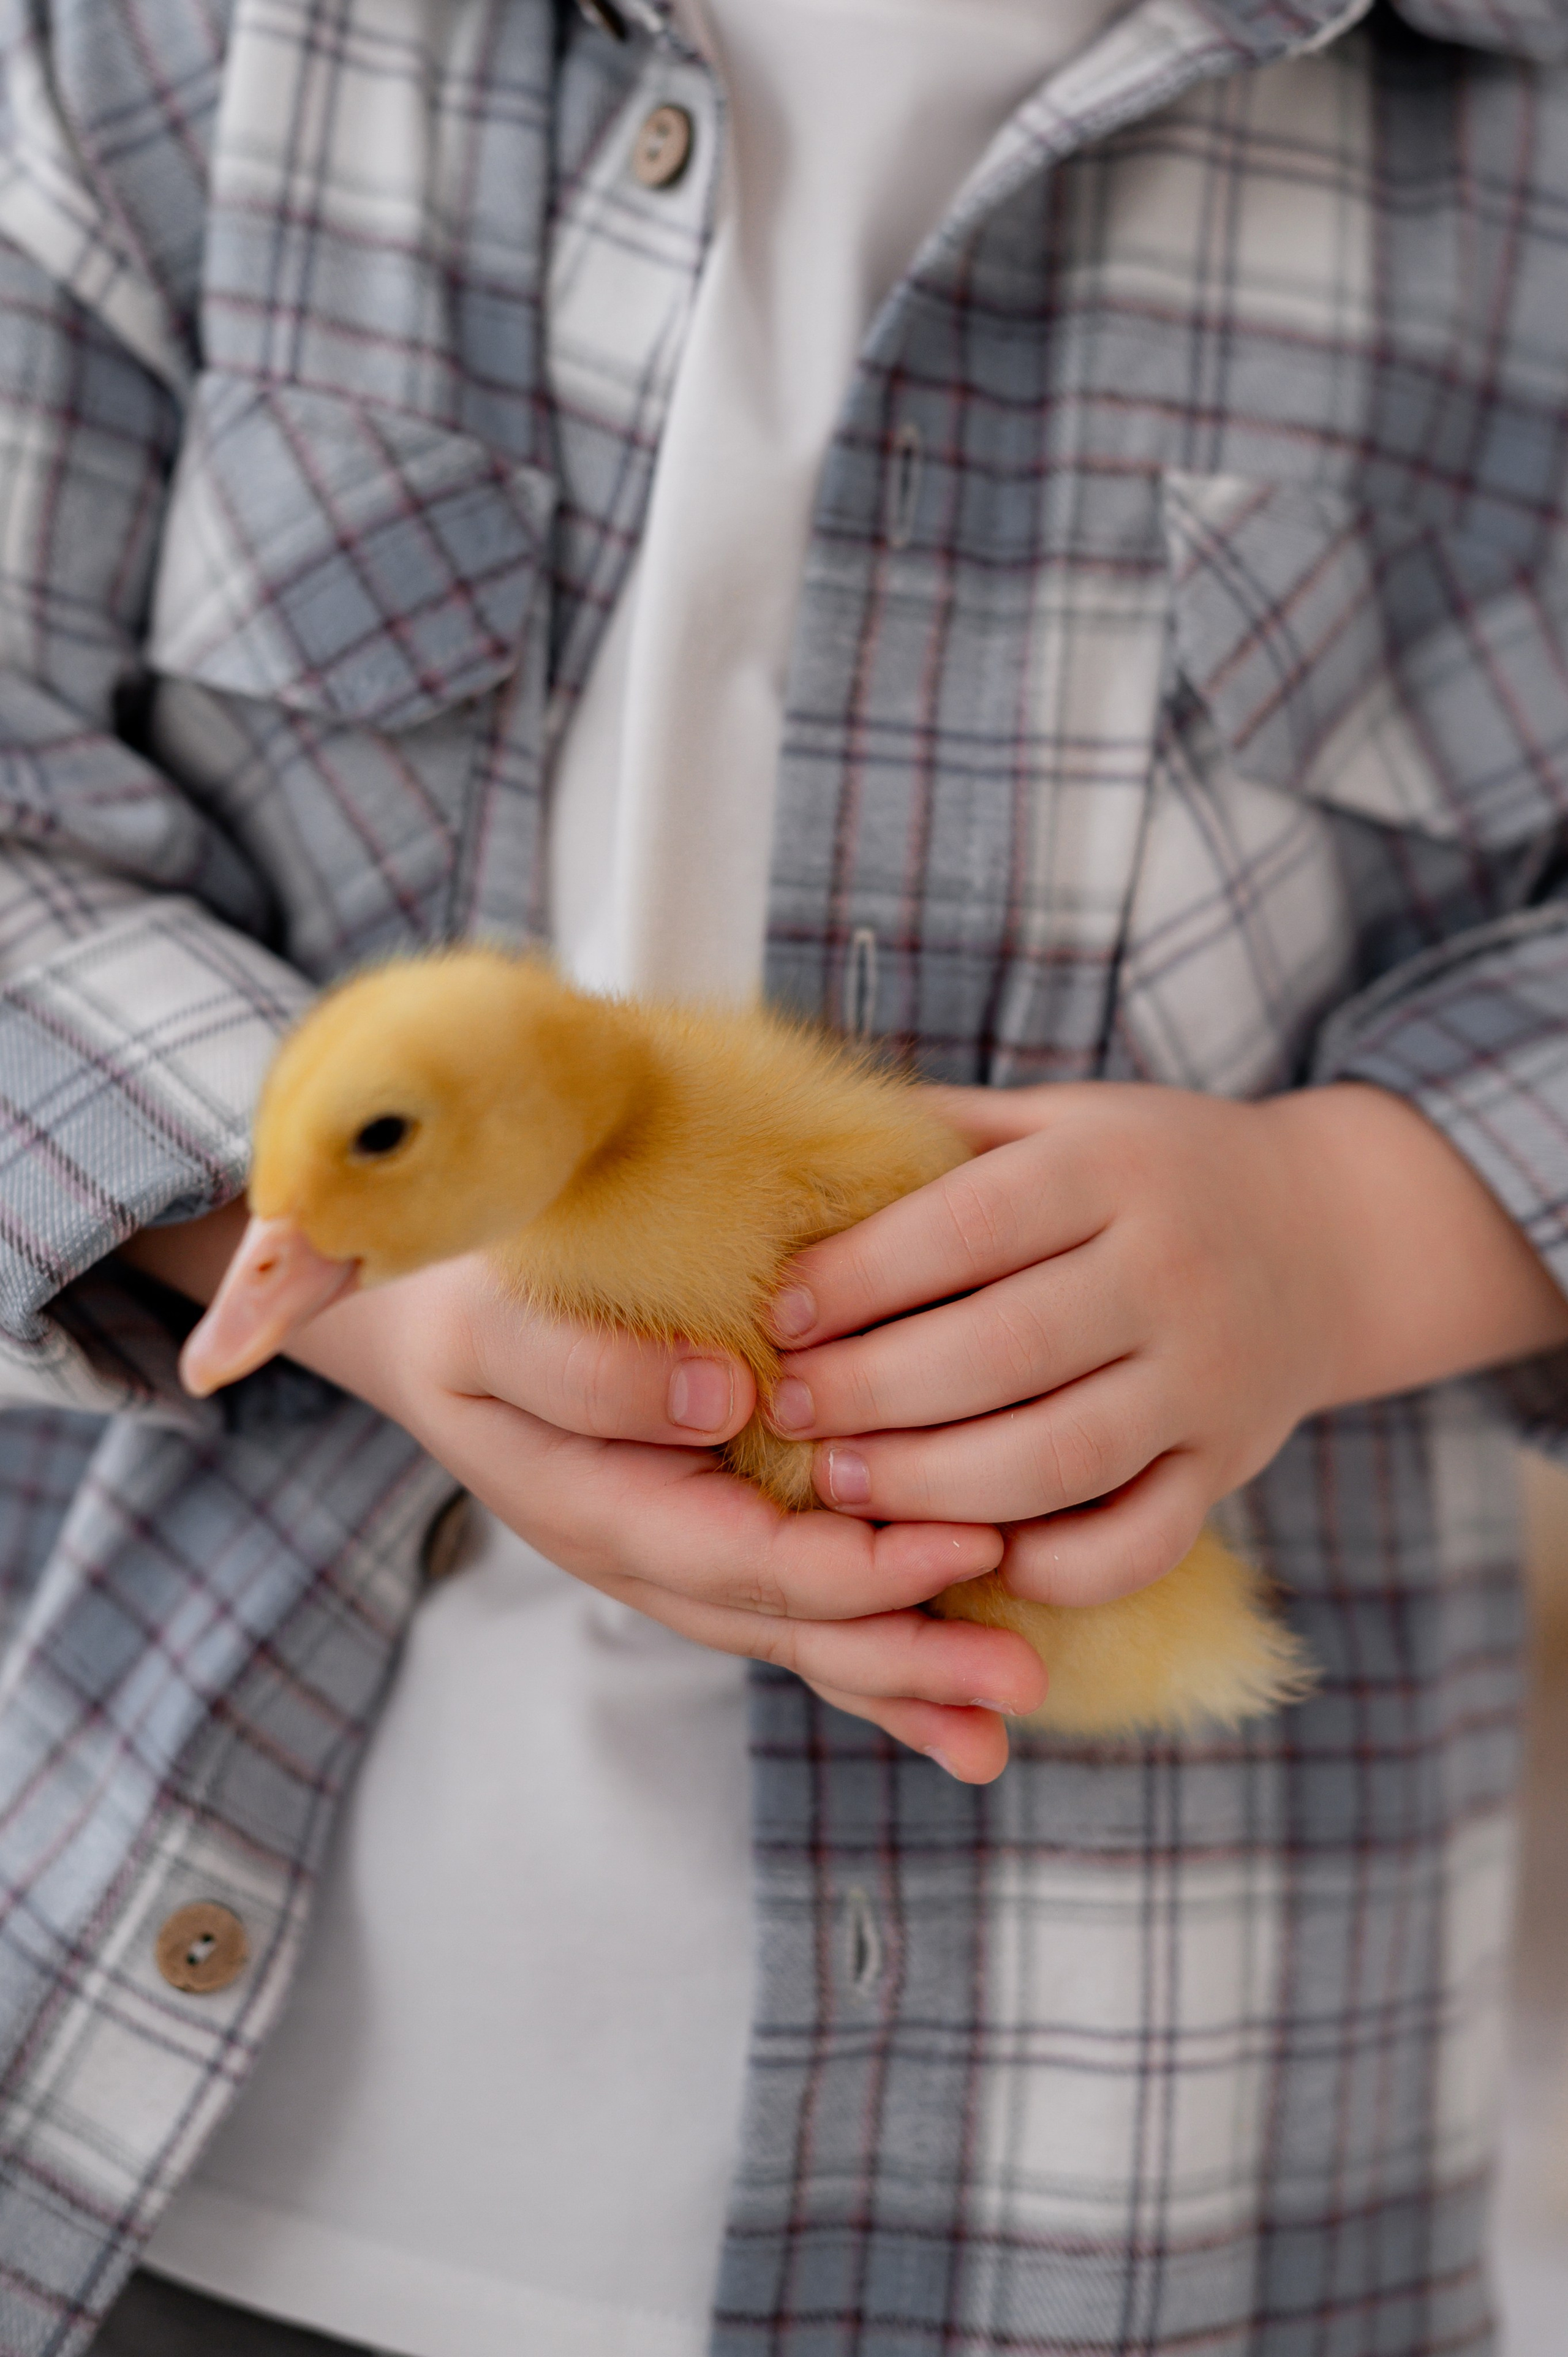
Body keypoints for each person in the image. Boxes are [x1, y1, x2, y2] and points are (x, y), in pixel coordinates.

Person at [0, 0, 1565, 2351]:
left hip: (1147, 2196)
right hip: (152, 2111)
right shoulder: (175, 45)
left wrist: (1349, 1227)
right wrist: (379, 1292)